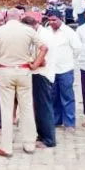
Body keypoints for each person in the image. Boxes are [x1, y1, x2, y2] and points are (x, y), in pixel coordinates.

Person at [0, 8, 48, 158]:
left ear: (6, 17)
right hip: (24, 71)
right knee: (26, 108)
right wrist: (35, 64)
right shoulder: (28, 30)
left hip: (5, 71)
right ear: (20, 17)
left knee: (7, 110)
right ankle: (29, 144)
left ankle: (6, 147)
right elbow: (44, 47)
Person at [45, 10, 80, 132]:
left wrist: (67, 60)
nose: (51, 22)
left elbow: (77, 49)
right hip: (51, 70)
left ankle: (69, 123)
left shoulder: (69, 32)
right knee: (53, 96)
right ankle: (56, 120)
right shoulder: (47, 32)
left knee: (67, 96)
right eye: (49, 20)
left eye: (54, 20)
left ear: (61, 19)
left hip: (65, 69)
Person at [28, 12, 57, 148]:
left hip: (42, 74)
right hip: (39, 74)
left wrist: (30, 63)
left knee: (43, 107)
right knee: (39, 108)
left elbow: (42, 60)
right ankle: (42, 135)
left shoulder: (43, 35)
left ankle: (48, 139)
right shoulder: (39, 33)